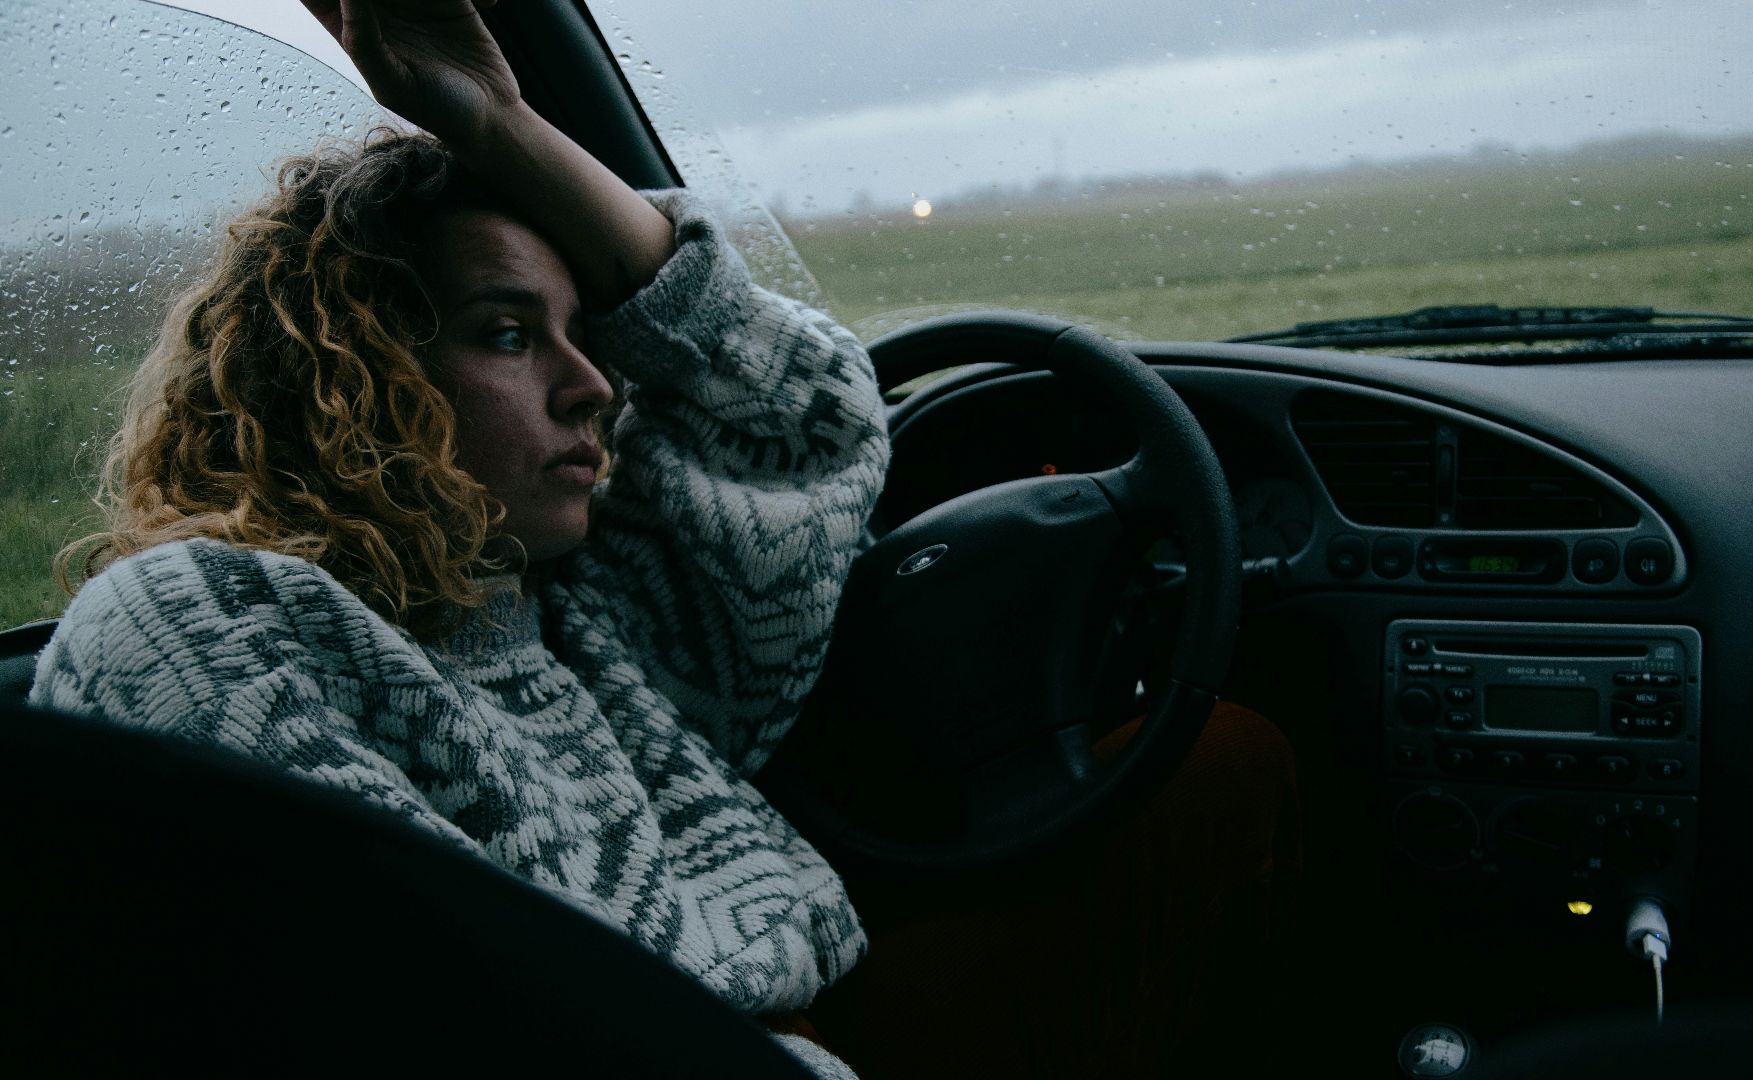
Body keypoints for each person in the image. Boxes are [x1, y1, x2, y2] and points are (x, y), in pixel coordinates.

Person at [29, 2, 1298, 1076]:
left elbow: (802, 417)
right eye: (512, 332)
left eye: (590, 332)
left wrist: (509, 131)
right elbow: (418, 1002)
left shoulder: (572, 609)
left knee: (1218, 764)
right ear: (350, 376)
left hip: (808, 1020)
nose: (595, 388)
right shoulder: (207, 624)